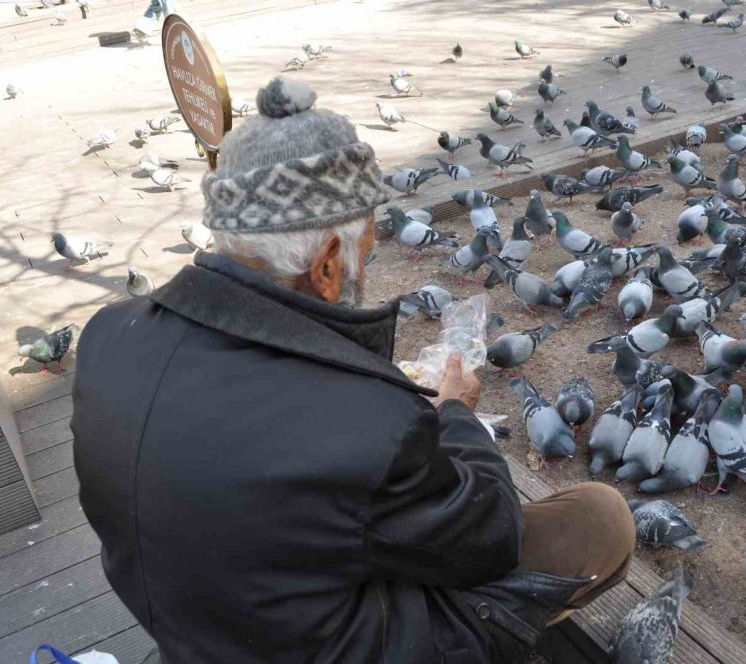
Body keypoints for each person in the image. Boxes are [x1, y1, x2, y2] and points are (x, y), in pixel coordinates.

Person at [72, 77, 635, 664]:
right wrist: (454, 417)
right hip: (338, 648)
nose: (366, 261)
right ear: (327, 266)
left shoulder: (108, 336)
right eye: (365, 248)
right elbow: (491, 536)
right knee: (601, 518)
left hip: (198, 629)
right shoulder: (366, 423)